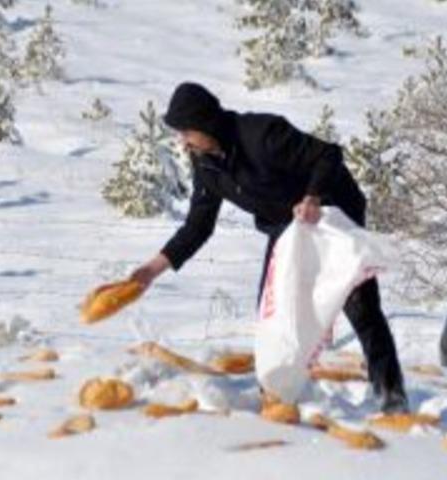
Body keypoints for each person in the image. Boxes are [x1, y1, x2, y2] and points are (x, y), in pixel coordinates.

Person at [128, 82, 408, 414]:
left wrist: (313, 197)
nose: (182, 141)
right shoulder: (206, 163)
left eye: (186, 131)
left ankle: (392, 398)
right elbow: (197, 226)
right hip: (285, 226)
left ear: (206, 123)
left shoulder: (262, 134)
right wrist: (150, 270)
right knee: (273, 312)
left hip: (330, 211)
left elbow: (328, 155)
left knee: (360, 304)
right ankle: (274, 398)